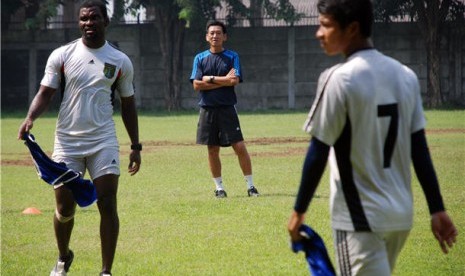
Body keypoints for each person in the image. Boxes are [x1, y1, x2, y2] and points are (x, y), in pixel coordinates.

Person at [287, 0, 458, 275]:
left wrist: (298, 213)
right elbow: (419, 149)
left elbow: (318, 151)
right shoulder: (405, 75)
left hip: (359, 220)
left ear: (352, 28)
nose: (319, 33)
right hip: (399, 217)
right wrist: (436, 208)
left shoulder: (339, 79)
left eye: (326, 25)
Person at [17, 1, 141, 275]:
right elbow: (45, 92)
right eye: (83, 19)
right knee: (64, 207)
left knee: (107, 203)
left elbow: (128, 104)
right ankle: (63, 256)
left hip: (103, 141)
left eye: (94, 18)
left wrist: (135, 146)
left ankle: (106, 271)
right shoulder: (62, 55)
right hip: (68, 141)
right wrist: (30, 118)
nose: (88, 23)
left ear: (105, 21)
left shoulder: (120, 60)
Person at [190, 20, 259, 198]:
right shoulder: (200, 58)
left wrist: (210, 78)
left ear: (224, 36)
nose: (215, 36)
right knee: (212, 148)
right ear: (207, 36)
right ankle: (219, 188)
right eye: (212, 33)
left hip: (228, 108)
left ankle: (251, 186)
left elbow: (234, 80)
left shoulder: (232, 56)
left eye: (218, 33)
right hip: (207, 109)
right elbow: (197, 85)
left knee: (239, 146)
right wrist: (222, 81)